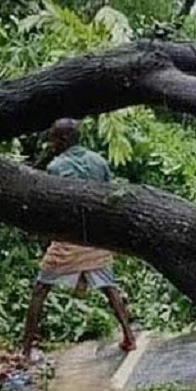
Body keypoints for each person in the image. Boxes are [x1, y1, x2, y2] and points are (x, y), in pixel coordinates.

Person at [23, 119, 137, 360]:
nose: (50, 143)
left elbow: (54, 207)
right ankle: (129, 336)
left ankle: (27, 349)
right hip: (96, 238)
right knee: (109, 287)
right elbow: (110, 196)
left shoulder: (56, 167)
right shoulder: (99, 161)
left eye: (53, 138)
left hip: (70, 238)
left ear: (63, 140)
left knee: (40, 290)